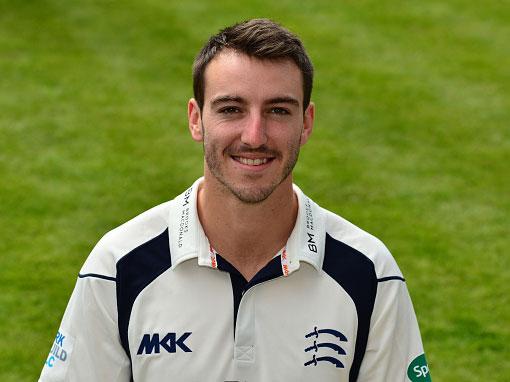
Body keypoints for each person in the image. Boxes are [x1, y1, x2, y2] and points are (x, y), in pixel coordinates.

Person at [39, 18, 430, 382]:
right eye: (231, 109)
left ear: (306, 123)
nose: (255, 136)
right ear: (196, 119)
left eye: (278, 110)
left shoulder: (369, 271)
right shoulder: (118, 265)